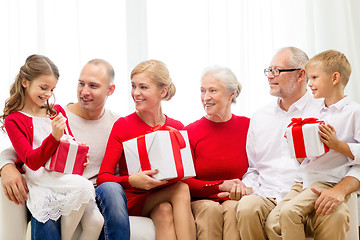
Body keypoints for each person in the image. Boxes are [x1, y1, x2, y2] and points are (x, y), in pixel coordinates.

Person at [235, 47, 360, 240]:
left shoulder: (322, 109)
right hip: (274, 192)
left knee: (333, 215)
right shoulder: (260, 117)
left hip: (317, 186)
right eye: (268, 70)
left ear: (300, 74)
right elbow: (254, 168)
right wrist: (247, 187)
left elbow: (347, 159)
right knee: (251, 210)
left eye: (276, 70)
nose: (269, 76)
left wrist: (340, 188)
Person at [0, 58, 130, 240]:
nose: (48, 94)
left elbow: (70, 143)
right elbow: (24, 156)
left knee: (96, 221)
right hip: (45, 178)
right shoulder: (20, 119)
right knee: (78, 189)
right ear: (25, 82)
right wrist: (5, 166)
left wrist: (80, 155)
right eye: (81, 83)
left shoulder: (57, 111)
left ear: (110, 90)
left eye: (51, 89)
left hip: (69, 177)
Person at [97, 59, 196, 240]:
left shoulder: (176, 127)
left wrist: (218, 185)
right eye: (133, 86)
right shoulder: (123, 125)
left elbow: (187, 176)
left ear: (162, 91)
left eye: (143, 87)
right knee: (180, 190)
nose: (136, 93)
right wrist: (132, 181)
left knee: (165, 210)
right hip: (134, 198)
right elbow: (103, 177)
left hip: (161, 197)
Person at [183, 66, 250, 240]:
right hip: (203, 201)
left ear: (231, 94)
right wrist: (220, 186)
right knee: (210, 210)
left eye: (213, 90)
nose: (206, 97)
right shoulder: (189, 132)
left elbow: (261, 169)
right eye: (203, 91)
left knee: (233, 208)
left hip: (235, 199)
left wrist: (245, 190)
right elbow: (185, 182)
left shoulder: (248, 127)